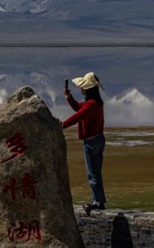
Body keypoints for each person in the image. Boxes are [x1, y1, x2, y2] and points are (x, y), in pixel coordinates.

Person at [61, 71, 107, 215]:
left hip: (91, 141)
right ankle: (97, 200)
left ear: (88, 88)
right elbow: (77, 108)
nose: (81, 89)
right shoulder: (95, 103)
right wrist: (68, 97)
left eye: (83, 87)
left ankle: (98, 202)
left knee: (92, 173)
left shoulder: (90, 105)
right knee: (96, 172)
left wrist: (61, 125)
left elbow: (77, 116)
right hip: (99, 139)